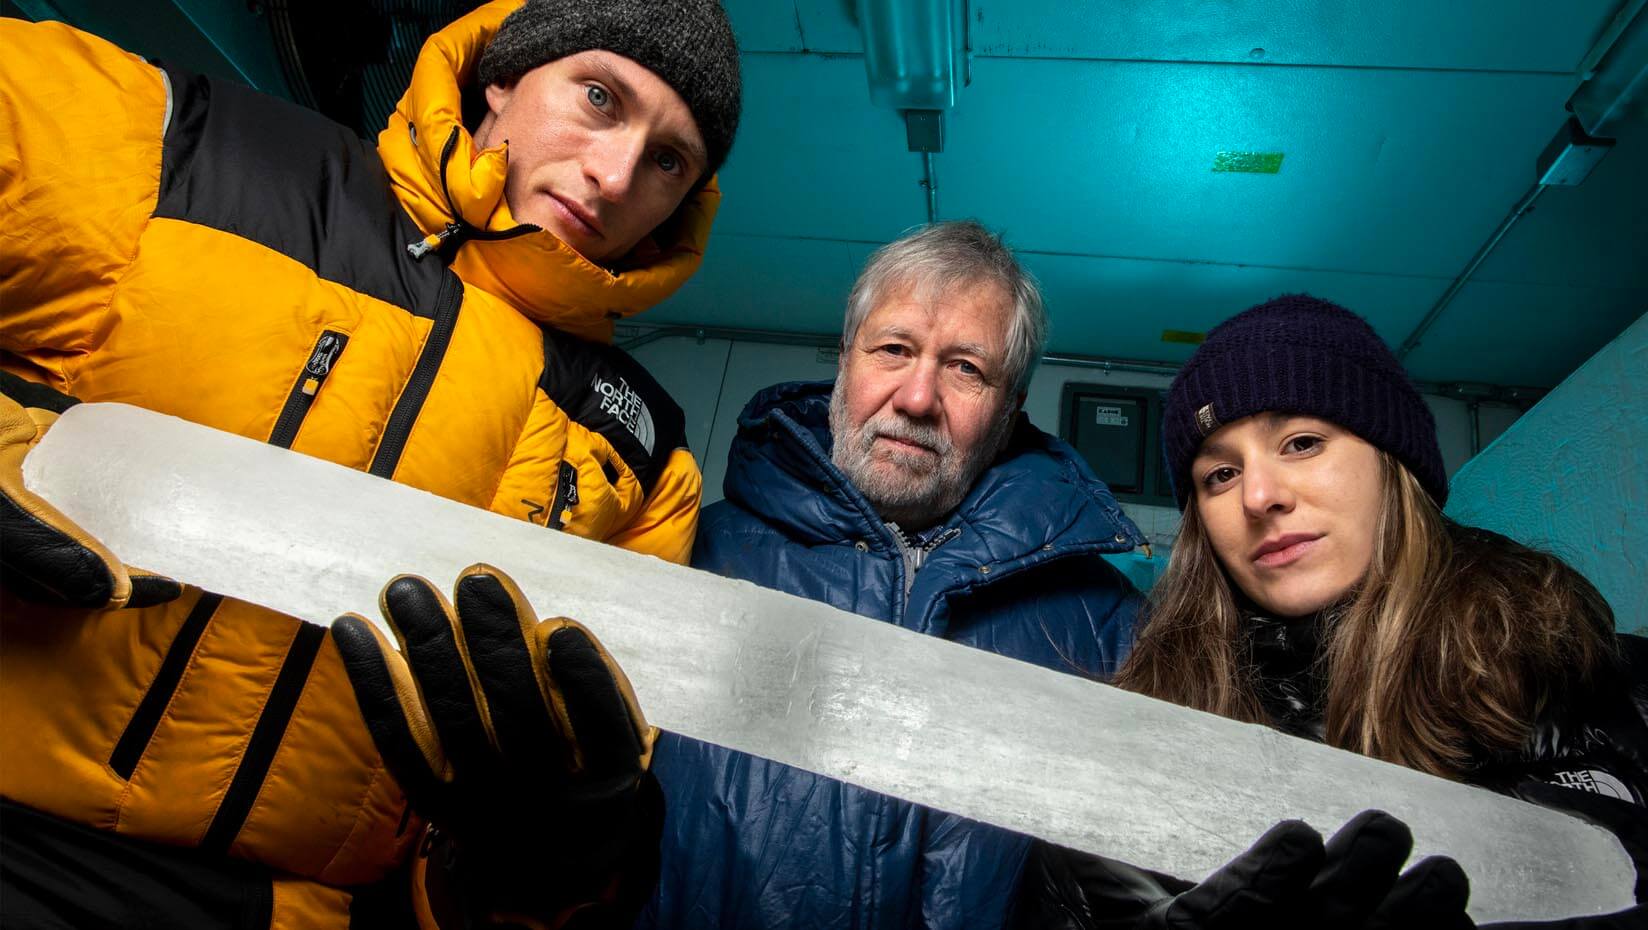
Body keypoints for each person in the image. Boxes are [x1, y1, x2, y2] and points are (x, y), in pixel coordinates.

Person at [0, 0, 740, 925]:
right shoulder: (189, 155)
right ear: (502, 78)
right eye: (599, 98)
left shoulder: (647, 461)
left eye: (670, 160)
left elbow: (515, 849)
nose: (616, 172)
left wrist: (531, 867)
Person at [1014, 295, 1648, 928]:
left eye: (1302, 442)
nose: (1259, 496)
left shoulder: (1588, 676)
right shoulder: (1140, 744)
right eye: (1221, 475)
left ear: (1393, 465)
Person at [634, 220, 1151, 929]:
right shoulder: (690, 551)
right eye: (894, 349)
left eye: (967, 369)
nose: (916, 397)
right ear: (846, 362)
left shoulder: (1103, 625)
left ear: (1008, 415)